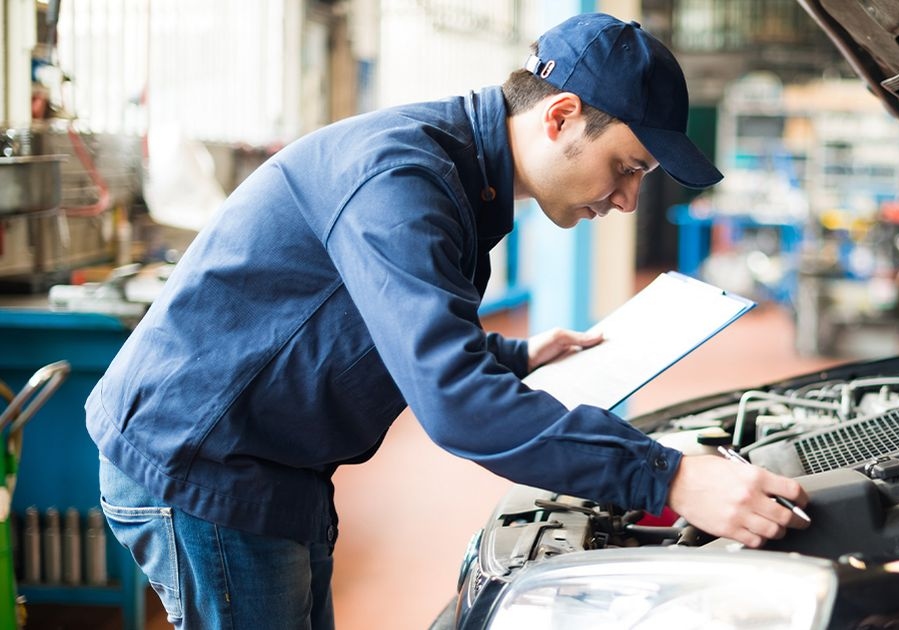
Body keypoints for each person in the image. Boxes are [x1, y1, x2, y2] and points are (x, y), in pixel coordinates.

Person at [87, 12, 809, 629]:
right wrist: (672, 478)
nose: (625, 200)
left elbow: (376, 319)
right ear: (559, 117)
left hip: (275, 461)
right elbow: (454, 404)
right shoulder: (401, 178)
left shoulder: (464, 177)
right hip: (203, 460)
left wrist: (513, 354)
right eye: (628, 167)